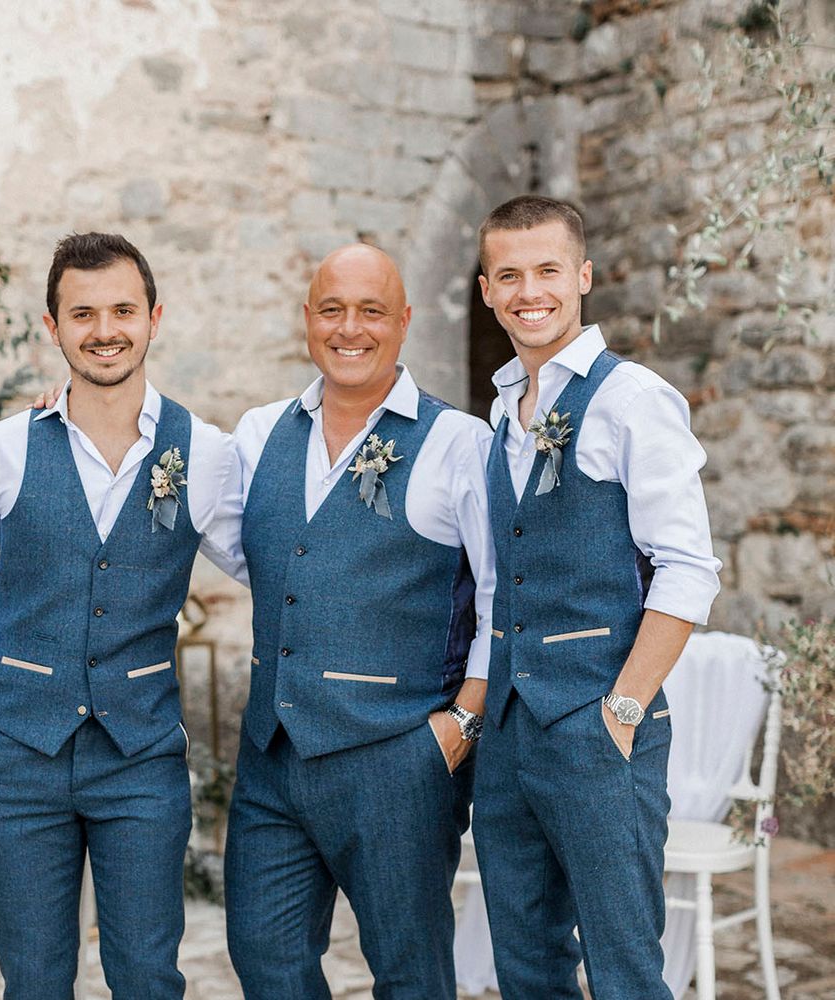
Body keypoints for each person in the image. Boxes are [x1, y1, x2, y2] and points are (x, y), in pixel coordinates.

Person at [0, 233, 243, 999]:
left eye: (123, 310)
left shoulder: (205, 453)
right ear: (53, 326)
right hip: (18, 753)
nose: (106, 330)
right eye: (84, 313)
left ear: (154, 317)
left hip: (141, 758)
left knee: (147, 976)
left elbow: (276, 562)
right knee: (33, 979)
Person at [221, 243, 495, 1000]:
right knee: (265, 964)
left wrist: (459, 726)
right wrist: (76, 407)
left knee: (411, 978)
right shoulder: (255, 434)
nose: (351, 328)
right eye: (332, 309)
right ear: (308, 320)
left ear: (404, 322)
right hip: (271, 761)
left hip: (398, 762)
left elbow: (505, 600)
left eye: (371, 311)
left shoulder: (459, 444)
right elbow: (168, 488)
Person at [471, 195, 721, 998]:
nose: (528, 290)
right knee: (527, 966)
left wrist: (622, 711)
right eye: (508, 275)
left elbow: (687, 567)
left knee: (624, 971)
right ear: (485, 290)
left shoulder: (631, 398)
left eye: (547, 270)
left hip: (599, 728)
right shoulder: (503, 411)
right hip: (510, 739)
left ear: (582, 275)